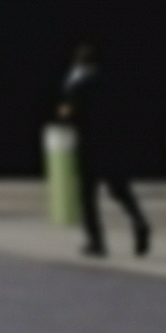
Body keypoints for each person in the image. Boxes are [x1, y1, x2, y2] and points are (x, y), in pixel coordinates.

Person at [60, 42, 149, 257]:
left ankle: (96, 241)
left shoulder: (79, 86)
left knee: (87, 195)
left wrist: (68, 91)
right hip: (114, 143)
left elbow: (68, 114)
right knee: (120, 189)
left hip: (90, 144)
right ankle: (139, 221)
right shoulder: (113, 83)